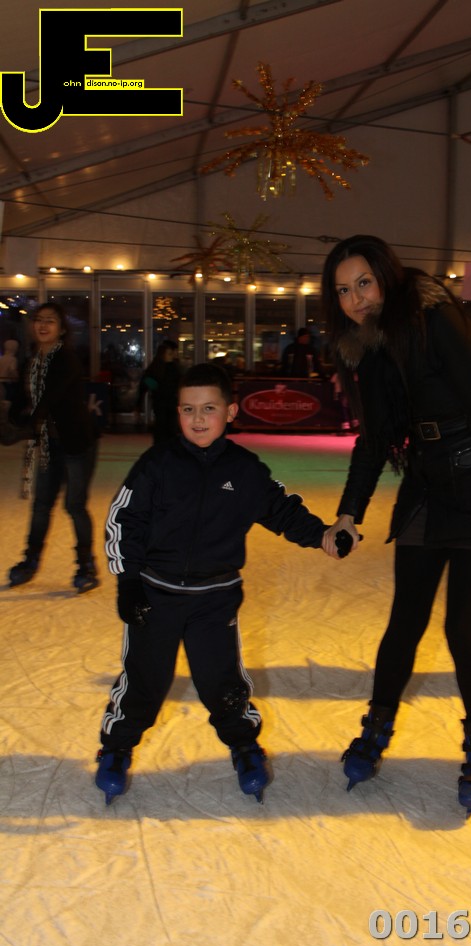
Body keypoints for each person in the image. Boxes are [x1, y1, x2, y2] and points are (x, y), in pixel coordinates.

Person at [320, 235, 471, 816]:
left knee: (462, 628)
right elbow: (374, 440)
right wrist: (349, 512)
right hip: (424, 490)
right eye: (343, 291)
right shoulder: (369, 348)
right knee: (403, 623)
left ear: (386, 275)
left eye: (364, 282)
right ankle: (376, 729)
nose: (356, 299)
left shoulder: (435, 318)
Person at [96, 362, 328, 805]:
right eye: (188, 409)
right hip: (156, 593)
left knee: (222, 681)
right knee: (145, 679)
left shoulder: (244, 469)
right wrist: (128, 582)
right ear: (177, 412)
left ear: (230, 412)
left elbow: (281, 509)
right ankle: (116, 747)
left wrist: (322, 535)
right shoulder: (157, 464)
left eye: (208, 408)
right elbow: (124, 520)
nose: (198, 419)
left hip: (214, 598)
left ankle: (244, 745)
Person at [6, 302, 100, 593]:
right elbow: (22, 398)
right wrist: (11, 419)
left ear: (61, 329)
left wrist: (27, 423)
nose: (43, 325)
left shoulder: (66, 359)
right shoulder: (31, 362)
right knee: (41, 505)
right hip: (49, 444)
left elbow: (49, 398)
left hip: (76, 444)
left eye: (50, 321)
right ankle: (30, 560)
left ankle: (86, 565)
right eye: (39, 320)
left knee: (74, 505)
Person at [137, 339, 181, 443]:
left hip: (167, 402)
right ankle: (163, 446)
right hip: (163, 402)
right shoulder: (160, 368)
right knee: (163, 427)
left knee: (168, 427)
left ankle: (165, 446)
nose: (172, 356)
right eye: (169, 354)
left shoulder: (170, 367)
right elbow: (145, 384)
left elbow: (145, 384)